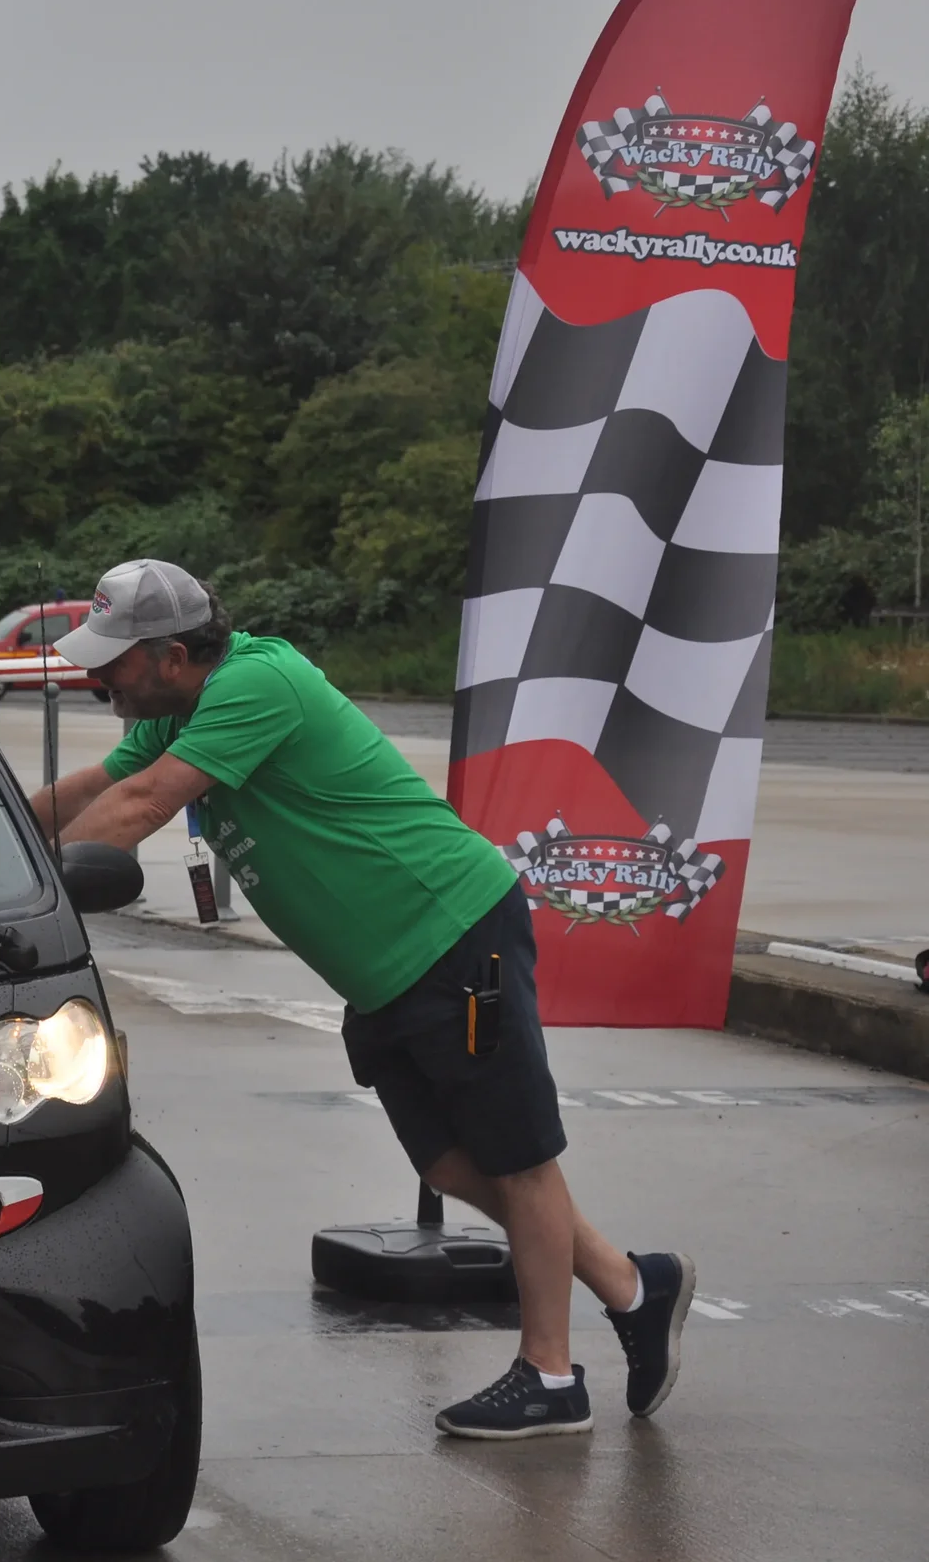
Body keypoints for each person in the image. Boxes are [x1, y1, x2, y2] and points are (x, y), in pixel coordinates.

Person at [42, 558, 694, 1441]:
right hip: (386, 969)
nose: (96, 678)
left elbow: (144, 804)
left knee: (518, 1158)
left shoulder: (255, 683)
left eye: (112, 662)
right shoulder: (178, 709)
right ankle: (631, 1286)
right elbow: (100, 788)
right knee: (449, 1164)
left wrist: (30, 897)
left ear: (165, 654)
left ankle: (551, 1374)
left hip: (450, 930)